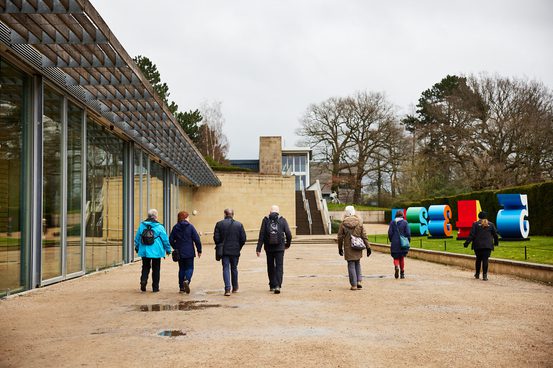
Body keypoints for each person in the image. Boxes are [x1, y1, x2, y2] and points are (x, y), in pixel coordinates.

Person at [256, 205, 292, 294]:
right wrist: (287, 244)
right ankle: (278, 286)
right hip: (280, 247)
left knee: (270, 266)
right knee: (279, 266)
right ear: (278, 212)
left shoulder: (265, 220)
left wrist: (258, 248)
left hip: (268, 247)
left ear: (270, 212)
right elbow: (288, 233)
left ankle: (272, 285)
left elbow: (262, 234)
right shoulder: (282, 220)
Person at [134, 209, 171, 292]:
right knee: (156, 269)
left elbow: (137, 238)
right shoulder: (160, 227)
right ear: (155, 217)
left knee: (145, 267)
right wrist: (168, 250)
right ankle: (155, 287)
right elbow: (165, 240)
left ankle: (143, 281)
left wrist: (137, 247)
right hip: (157, 251)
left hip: (144, 250)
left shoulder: (142, 225)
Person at [213, 208, 247, 296]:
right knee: (234, 268)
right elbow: (243, 239)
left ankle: (227, 289)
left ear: (225, 214)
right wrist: (238, 247)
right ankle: (235, 287)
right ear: (233, 214)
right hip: (235, 250)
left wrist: (220, 244)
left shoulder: (219, 224)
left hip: (224, 251)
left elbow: (216, 238)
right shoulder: (239, 225)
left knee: (225, 268)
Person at [337, 205, 371, 290]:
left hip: (348, 247)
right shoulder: (359, 222)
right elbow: (364, 235)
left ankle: (354, 284)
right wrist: (368, 247)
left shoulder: (343, 223)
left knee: (351, 264)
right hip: (358, 245)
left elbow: (340, 237)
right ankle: (359, 281)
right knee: (357, 263)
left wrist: (340, 248)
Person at [169, 211, 202, 294]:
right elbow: (196, 239)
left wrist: (175, 247)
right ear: (186, 218)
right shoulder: (190, 227)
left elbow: (171, 239)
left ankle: (181, 288)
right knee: (190, 268)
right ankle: (187, 280)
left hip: (179, 251)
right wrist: (199, 250)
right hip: (189, 251)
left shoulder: (176, 227)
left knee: (181, 268)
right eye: (188, 217)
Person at [464, 211, 499, 281]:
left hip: (478, 245)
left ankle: (477, 274)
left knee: (478, 259)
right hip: (487, 245)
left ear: (479, 217)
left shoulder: (475, 224)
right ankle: (485, 276)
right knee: (485, 260)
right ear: (486, 217)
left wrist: (467, 243)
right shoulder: (491, 224)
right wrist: (496, 243)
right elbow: (495, 235)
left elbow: (472, 235)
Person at [388, 210, 411, 279]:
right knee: (402, 257)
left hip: (395, 243)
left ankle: (396, 266)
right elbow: (408, 233)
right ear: (402, 215)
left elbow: (390, 233)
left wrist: (392, 240)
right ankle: (402, 273)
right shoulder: (405, 222)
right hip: (403, 243)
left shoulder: (392, 222)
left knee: (396, 257)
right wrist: (408, 241)